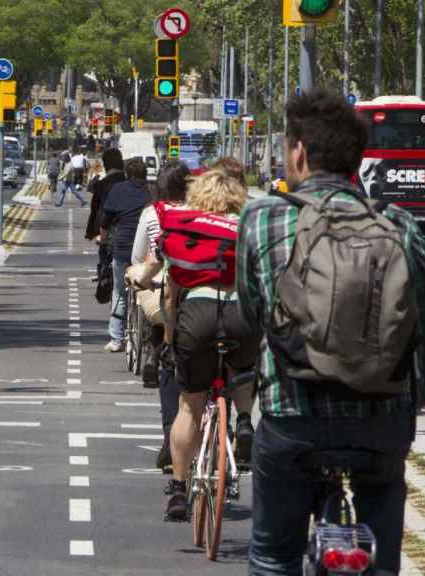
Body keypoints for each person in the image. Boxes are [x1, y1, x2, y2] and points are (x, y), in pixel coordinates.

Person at [237, 89, 425, 575]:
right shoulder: (395, 223)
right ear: (357, 158)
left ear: (299, 152)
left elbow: (252, 314)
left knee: (273, 557)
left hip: (291, 414)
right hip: (382, 418)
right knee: (381, 551)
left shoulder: (261, 218)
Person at [162, 170, 259, 520]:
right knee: (244, 372)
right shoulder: (248, 229)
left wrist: (169, 341)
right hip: (241, 316)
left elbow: (171, 300)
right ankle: (245, 420)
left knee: (189, 405)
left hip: (197, 316)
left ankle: (177, 487)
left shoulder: (189, 230)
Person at [126, 162, 191, 472]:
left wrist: (139, 276)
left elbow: (139, 258)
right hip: (206, 301)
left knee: (161, 319)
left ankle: (156, 352)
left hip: (164, 294)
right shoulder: (202, 214)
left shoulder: (154, 214)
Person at [99, 157, 150, 352]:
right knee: (147, 291)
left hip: (122, 249)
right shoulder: (151, 192)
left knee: (119, 292)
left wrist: (102, 238)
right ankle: (146, 334)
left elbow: (105, 220)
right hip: (145, 253)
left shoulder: (118, 190)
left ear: (127, 174)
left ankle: (116, 339)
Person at [85, 148, 125, 242]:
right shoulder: (128, 181)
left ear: (105, 164)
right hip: (127, 228)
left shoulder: (102, 184)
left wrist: (90, 232)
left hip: (106, 229)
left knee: (105, 252)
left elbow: (95, 209)